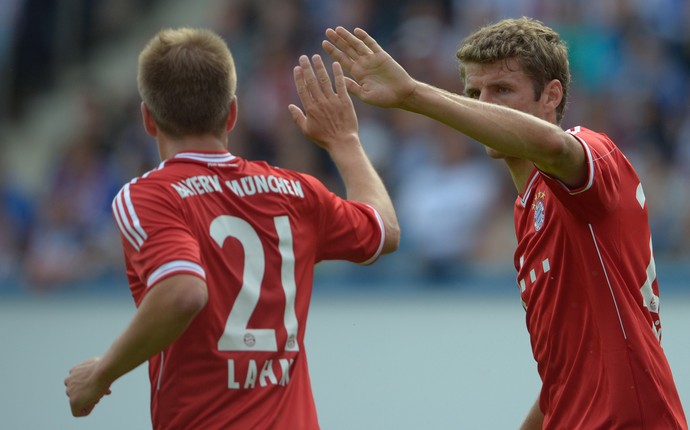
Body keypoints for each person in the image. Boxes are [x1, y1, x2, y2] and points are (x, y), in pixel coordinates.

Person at [321, 17, 687, 429]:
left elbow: (552, 145)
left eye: (502, 90)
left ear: (551, 96)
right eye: (474, 92)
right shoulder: (528, 211)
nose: (482, 103)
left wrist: (413, 94)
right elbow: (562, 383)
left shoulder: (595, 156)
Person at [64, 27, 399, 429]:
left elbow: (183, 291)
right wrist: (345, 142)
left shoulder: (151, 197)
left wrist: (102, 374)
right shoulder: (294, 191)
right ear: (232, 113)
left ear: (148, 120)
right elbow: (383, 230)